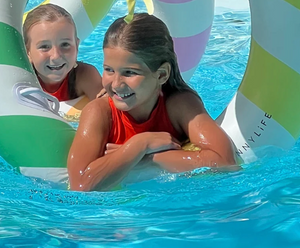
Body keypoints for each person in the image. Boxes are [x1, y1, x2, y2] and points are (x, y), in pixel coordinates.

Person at [68, 13, 236, 191]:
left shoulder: (178, 105)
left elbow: (225, 162)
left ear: (162, 74)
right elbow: (80, 184)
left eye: (130, 73)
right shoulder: (99, 112)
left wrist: (147, 157)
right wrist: (140, 144)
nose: (116, 84)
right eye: (109, 70)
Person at [23, 4, 102, 103]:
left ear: (77, 46)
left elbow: (108, 108)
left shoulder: (84, 76)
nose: (56, 56)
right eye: (44, 46)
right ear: (27, 51)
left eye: (65, 44)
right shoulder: (22, 79)